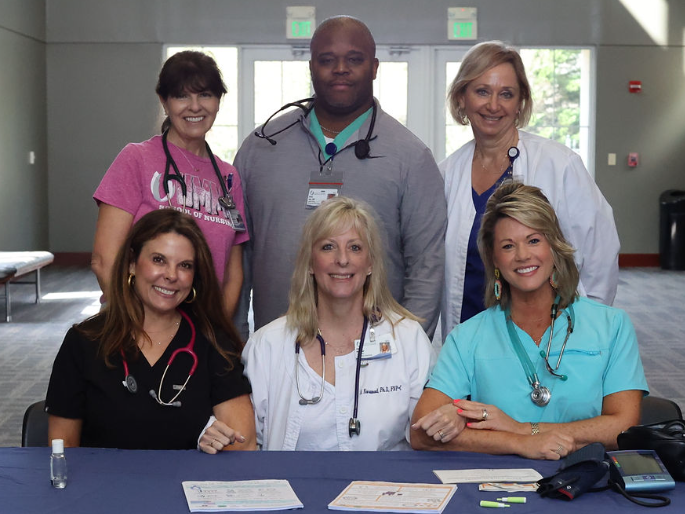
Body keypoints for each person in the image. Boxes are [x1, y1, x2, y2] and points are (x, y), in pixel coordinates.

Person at [234, 15, 446, 340]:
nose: (341, 69)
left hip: (375, 364)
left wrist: (406, 350)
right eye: (327, 60)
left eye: (354, 60)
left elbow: (426, 267)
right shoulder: (261, 148)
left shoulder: (410, 157)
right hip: (274, 356)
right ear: (310, 67)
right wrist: (238, 347)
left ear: (374, 68)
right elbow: (238, 259)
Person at [411, 182, 647, 460]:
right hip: (496, 487)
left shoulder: (612, 326)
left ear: (554, 246)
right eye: (508, 246)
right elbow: (420, 433)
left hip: (586, 483)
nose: (523, 255)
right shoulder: (467, 337)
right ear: (494, 259)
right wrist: (518, 443)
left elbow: (624, 426)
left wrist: (522, 428)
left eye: (534, 240)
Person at [440, 40, 619, 338]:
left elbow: (600, 254)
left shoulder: (559, 165)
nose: (493, 105)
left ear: (520, 102)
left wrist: (588, 329)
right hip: (469, 336)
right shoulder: (447, 174)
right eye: (482, 91)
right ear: (461, 98)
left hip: (547, 335)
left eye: (506, 94)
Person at [46, 209, 256, 452]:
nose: (171, 275)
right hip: (105, 487)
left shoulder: (214, 343)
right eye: (159, 260)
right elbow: (62, 448)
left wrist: (213, 442)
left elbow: (244, 444)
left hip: (186, 486)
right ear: (132, 263)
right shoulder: (84, 341)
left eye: (185, 265)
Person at [242, 196, 435, 450]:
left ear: (370, 264)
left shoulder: (408, 339)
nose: (342, 259)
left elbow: (426, 437)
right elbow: (246, 445)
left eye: (355, 247)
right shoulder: (267, 345)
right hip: (294, 488)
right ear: (310, 263)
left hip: (381, 488)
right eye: (328, 247)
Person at [92, 50, 248, 317]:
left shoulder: (228, 178)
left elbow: (233, 275)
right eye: (182, 96)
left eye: (205, 95)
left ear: (218, 102)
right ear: (164, 102)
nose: (195, 106)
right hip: (138, 324)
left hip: (202, 333)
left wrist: (214, 335)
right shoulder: (136, 159)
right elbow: (104, 260)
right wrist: (139, 330)